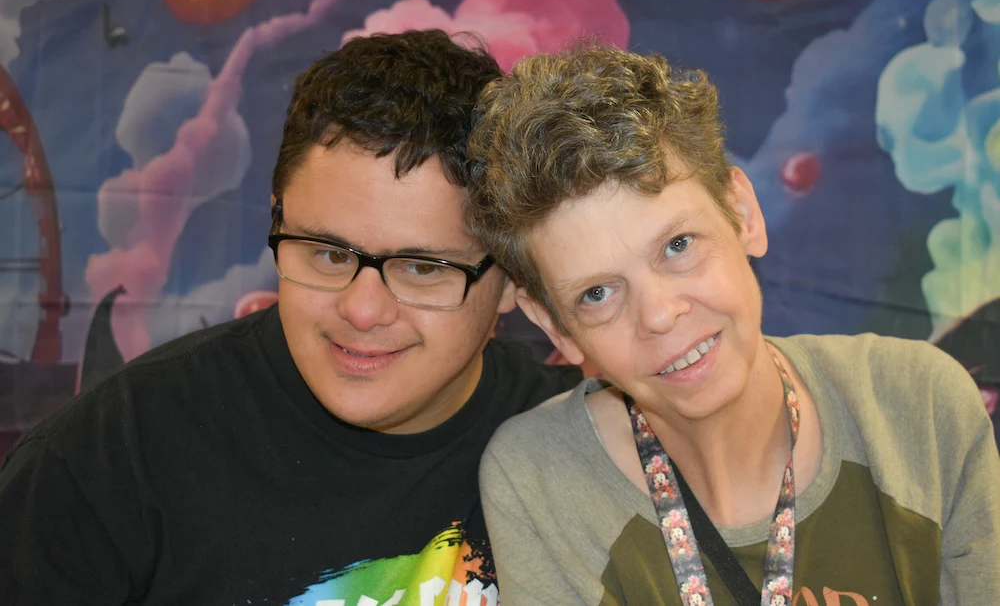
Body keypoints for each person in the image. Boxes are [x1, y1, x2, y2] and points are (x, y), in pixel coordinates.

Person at [0, 30, 580, 604]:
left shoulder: (592, 449)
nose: (362, 310)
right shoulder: (103, 463)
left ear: (514, 276)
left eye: (422, 268)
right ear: (276, 222)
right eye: (328, 254)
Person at [466, 43, 1000, 605]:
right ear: (554, 327)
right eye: (597, 294)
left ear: (742, 214)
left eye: (678, 245)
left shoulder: (918, 407)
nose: (659, 314)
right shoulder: (538, 477)